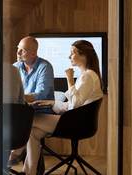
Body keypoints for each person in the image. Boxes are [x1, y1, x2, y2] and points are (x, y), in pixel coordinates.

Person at [22, 40, 104, 175]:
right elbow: (74, 105)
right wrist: (52, 103)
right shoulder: (88, 75)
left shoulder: (88, 76)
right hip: (77, 121)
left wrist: (70, 79)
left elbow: (75, 104)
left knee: (29, 120)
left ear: (84, 55)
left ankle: (18, 158)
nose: (69, 56)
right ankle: (29, 171)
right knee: (34, 132)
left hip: (77, 124)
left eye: (72, 53)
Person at [13, 36, 55, 103]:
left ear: (33, 53)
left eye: (23, 50)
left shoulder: (45, 67)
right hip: (22, 107)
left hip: (40, 110)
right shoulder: (15, 66)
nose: (18, 53)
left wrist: (18, 98)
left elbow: (41, 95)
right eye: (18, 48)